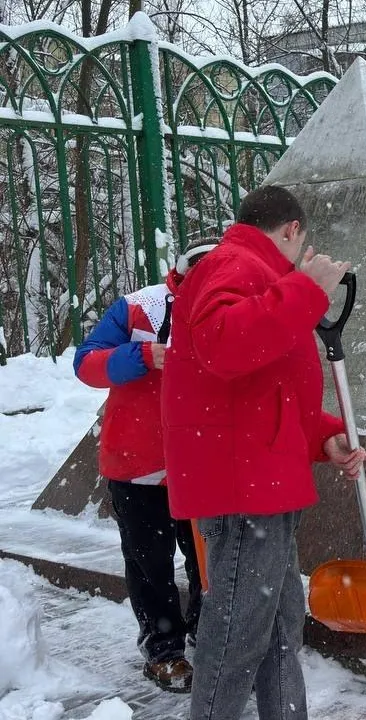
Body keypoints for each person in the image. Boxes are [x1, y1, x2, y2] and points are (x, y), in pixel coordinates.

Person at [162, 185, 366, 720]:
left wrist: (325, 436)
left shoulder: (260, 276)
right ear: (292, 230)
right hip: (243, 490)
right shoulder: (234, 263)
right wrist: (304, 289)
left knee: (278, 629)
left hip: (265, 484)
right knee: (236, 635)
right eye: (303, 249)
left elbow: (271, 396)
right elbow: (223, 345)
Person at [72, 241, 217, 692]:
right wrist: (139, 357)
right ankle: (164, 651)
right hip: (137, 465)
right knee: (149, 562)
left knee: (206, 559)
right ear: (182, 274)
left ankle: (208, 636)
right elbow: (86, 363)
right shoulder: (139, 308)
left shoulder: (233, 309)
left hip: (203, 461)